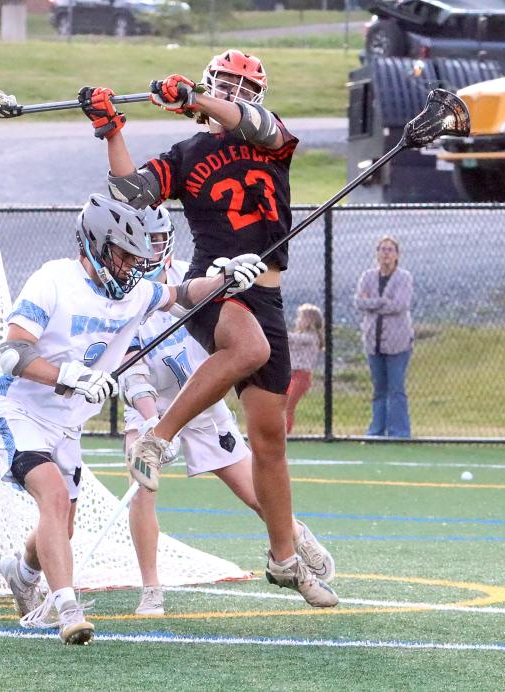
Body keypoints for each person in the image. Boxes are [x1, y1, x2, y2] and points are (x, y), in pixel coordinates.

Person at [78, 49, 338, 607]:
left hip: (265, 293)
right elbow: (133, 191)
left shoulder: (276, 141)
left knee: (269, 440)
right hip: (215, 285)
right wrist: (109, 129)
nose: (238, 95)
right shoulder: (189, 152)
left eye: (246, 87)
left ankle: (284, 559)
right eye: (226, 84)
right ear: (209, 82)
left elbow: (255, 125)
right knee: (247, 348)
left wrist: (195, 97)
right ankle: (158, 439)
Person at [0, 193, 266, 644]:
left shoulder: (135, 291)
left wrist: (226, 279)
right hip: (20, 410)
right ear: (96, 245)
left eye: (139, 256)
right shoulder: (53, 280)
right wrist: (68, 377)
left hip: (67, 424)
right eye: (124, 254)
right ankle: (65, 609)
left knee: (62, 525)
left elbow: (179, 294)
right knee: (54, 500)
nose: (133, 265)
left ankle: (21, 573)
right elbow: (13, 353)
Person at [120, 210, 334, 616]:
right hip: (153, 405)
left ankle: (295, 545)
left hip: (202, 400)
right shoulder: (122, 294)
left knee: (257, 496)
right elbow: (133, 370)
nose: (148, 250)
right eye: (139, 241)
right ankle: (151, 589)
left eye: (154, 239)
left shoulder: (190, 276)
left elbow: (234, 327)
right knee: (142, 485)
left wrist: (235, 277)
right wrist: (151, 422)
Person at [354, 235, 414, 438]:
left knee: (396, 388)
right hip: (373, 341)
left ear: (397, 255)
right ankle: (376, 430)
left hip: (398, 342)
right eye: (382, 249)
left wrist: (373, 302)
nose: (385, 253)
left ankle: (399, 432)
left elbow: (399, 305)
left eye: (390, 250)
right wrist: (382, 301)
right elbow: (359, 302)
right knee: (379, 388)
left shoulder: (403, 277)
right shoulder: (368, 276)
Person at [285, 303, 324, 435]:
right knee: (282, 404)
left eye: (300, 318)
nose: (297, 321)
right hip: (291, 375)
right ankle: (281, 432)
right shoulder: (303, 337)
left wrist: (276, 330)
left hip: (301, 376)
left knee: (288, 407)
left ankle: (284, 433)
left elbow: (291, 338)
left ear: (309, 321)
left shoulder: (311, 337)